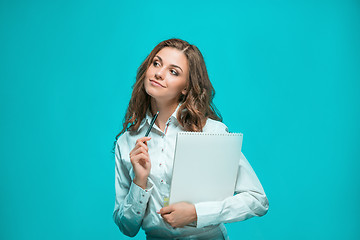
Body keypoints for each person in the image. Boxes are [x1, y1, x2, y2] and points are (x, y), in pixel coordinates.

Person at [112, 38, 269, 240]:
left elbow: (258, 200)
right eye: (156, 63)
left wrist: (197, 214)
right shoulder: (127, 141)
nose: (159, 73)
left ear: (185, 87)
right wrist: (139, 182)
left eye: (173, 71)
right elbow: (127, 227)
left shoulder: (212, 132)